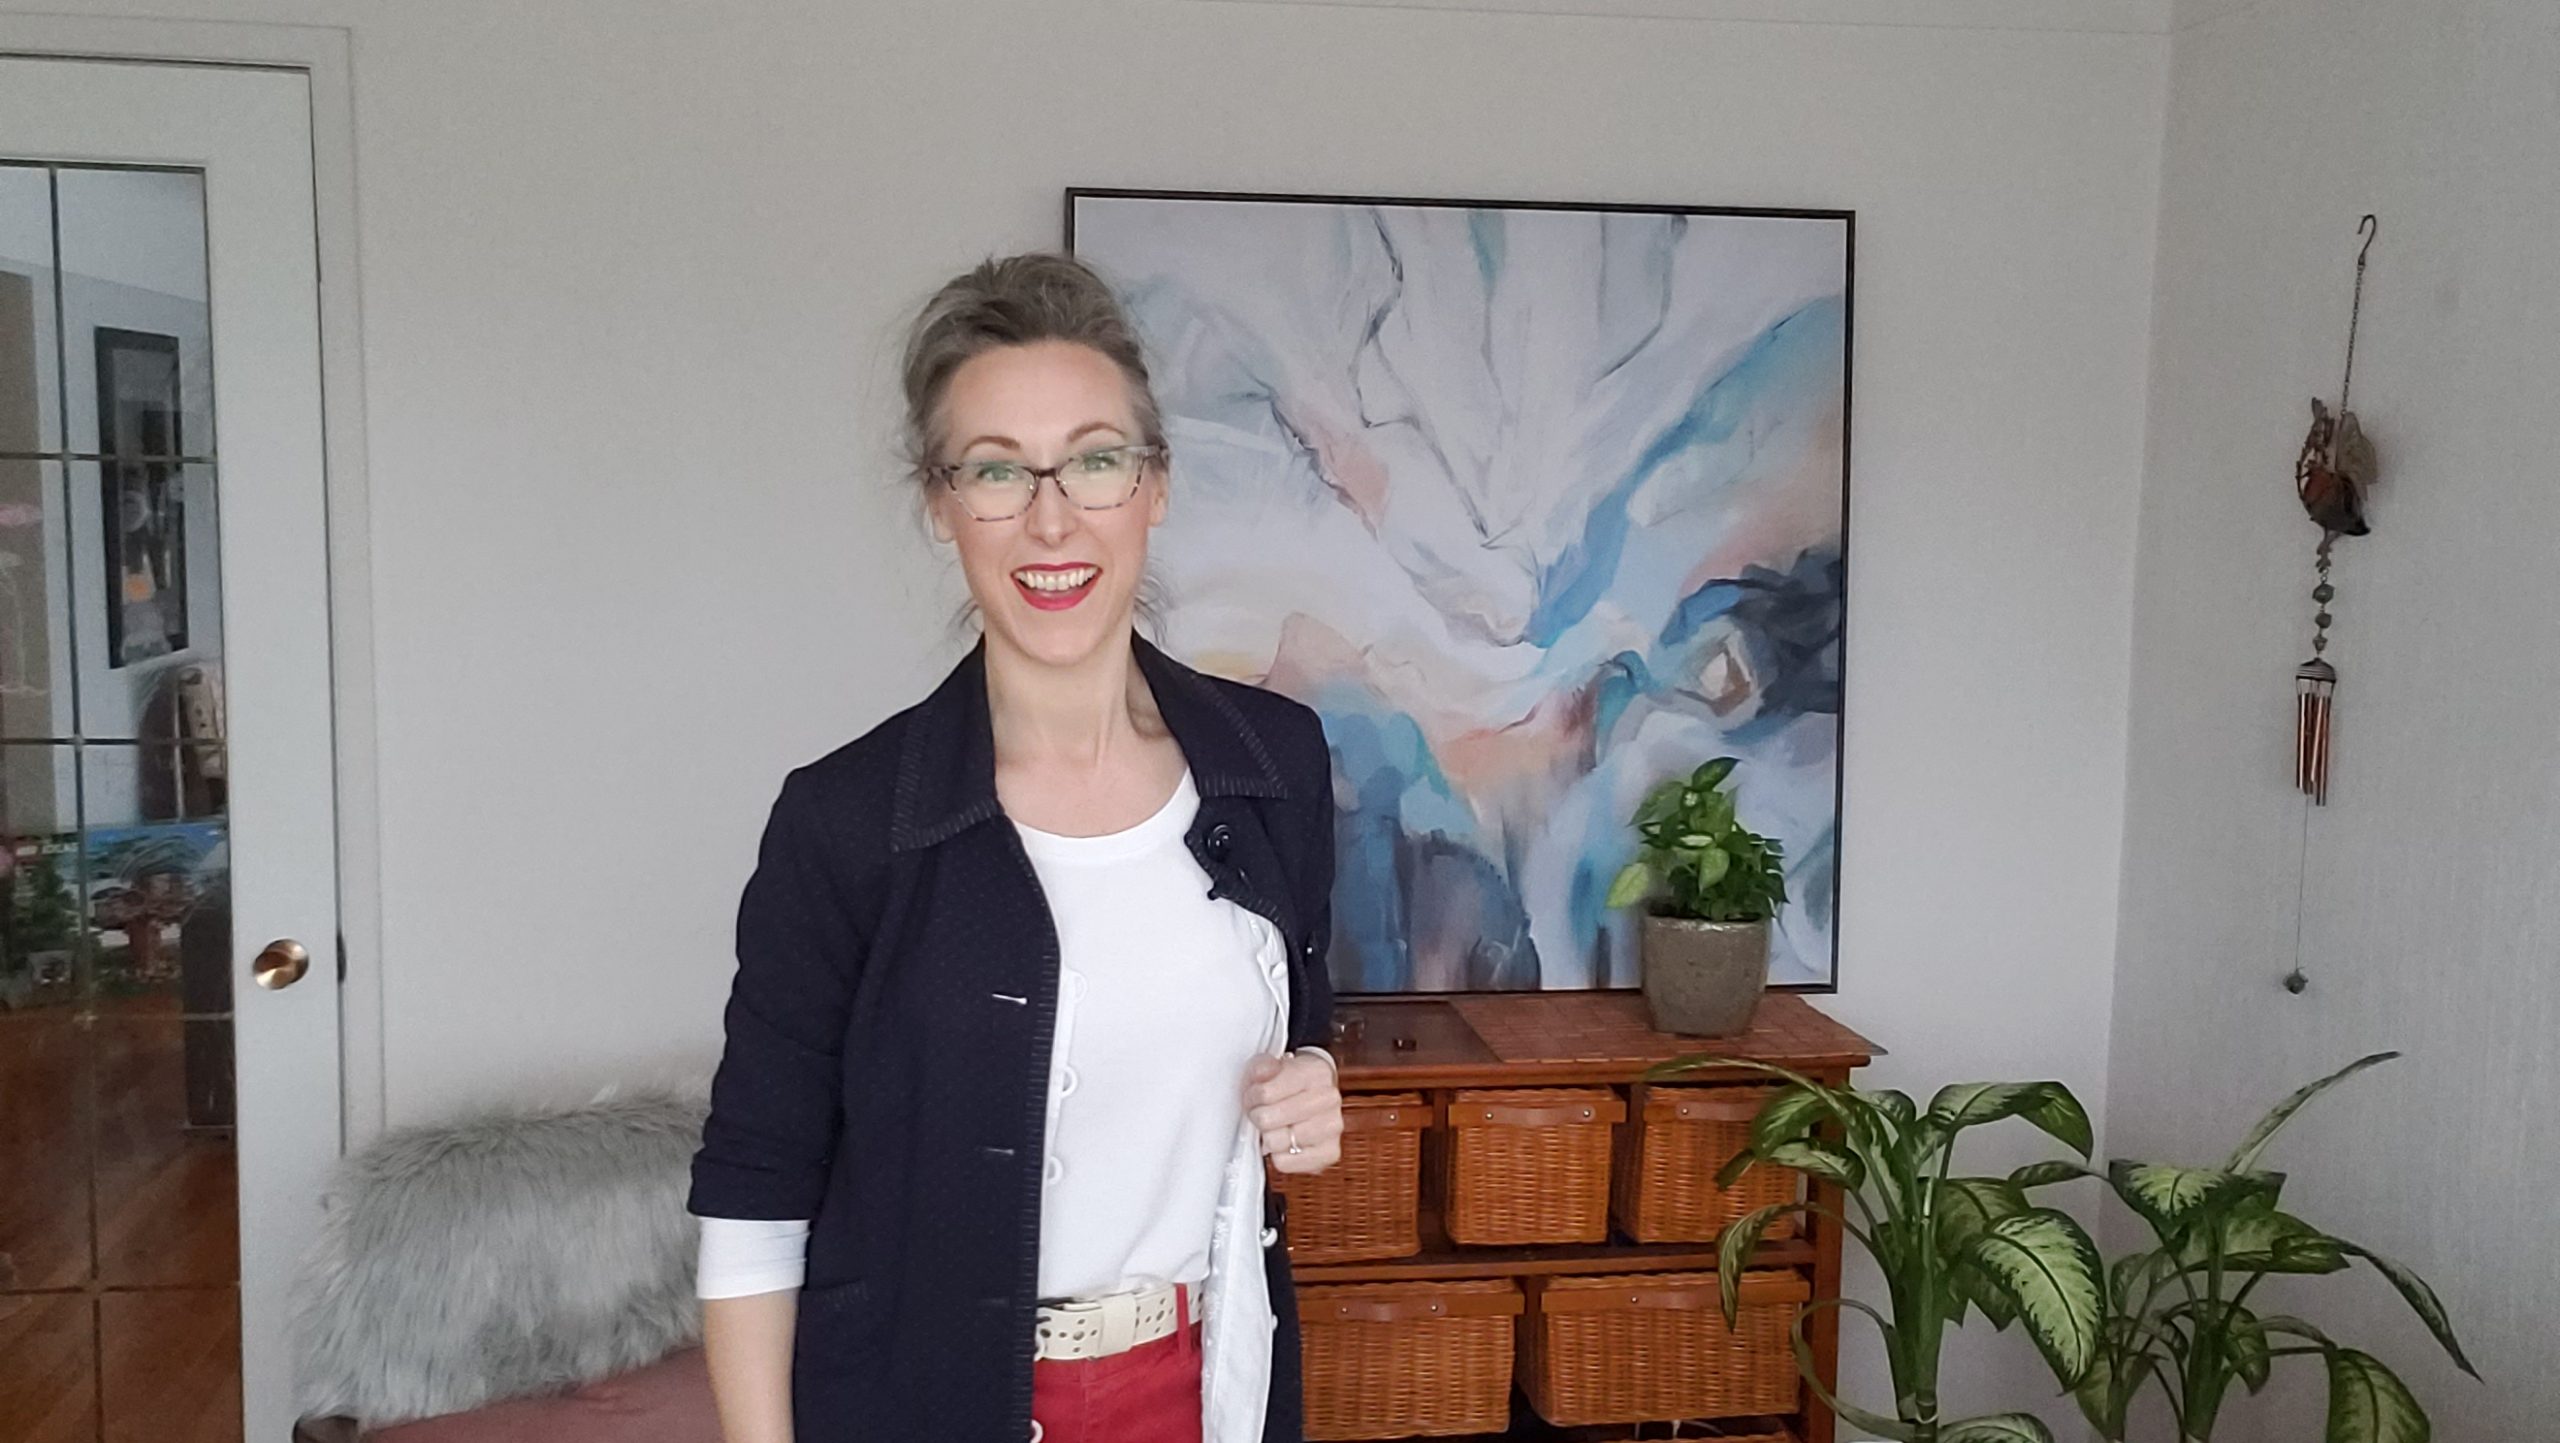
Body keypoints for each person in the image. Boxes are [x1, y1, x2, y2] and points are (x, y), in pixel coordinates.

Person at [687, 252, 1345, 1443]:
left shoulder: (1276, 765)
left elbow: (1293, 1010)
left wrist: (1312, 1078)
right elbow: (753, 1187)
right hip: (921, 1400)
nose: (1052, 520)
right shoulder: (844, 822)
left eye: (1094, 460)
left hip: (1202, 1389)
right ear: (943, 505)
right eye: (997, 471)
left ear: (1155, 485)